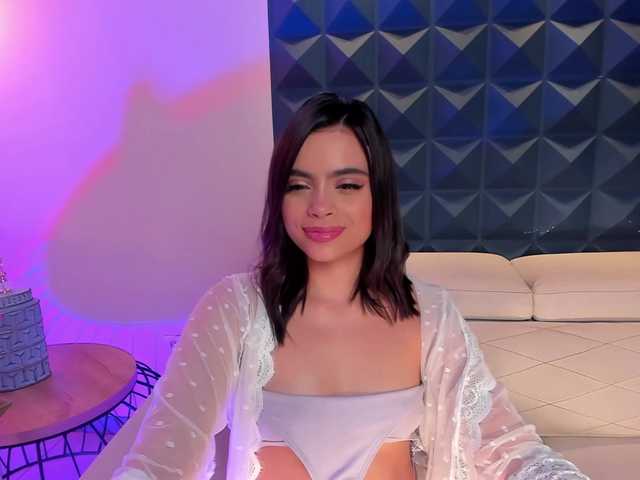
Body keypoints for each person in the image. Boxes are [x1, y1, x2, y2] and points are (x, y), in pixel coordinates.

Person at [111, 93, 590, 479]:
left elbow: (506, 445)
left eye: (346, 185)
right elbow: (165, 451)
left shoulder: (431, 315)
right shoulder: (232, 308)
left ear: (378, 195)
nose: (320, 206)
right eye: (299, 185)